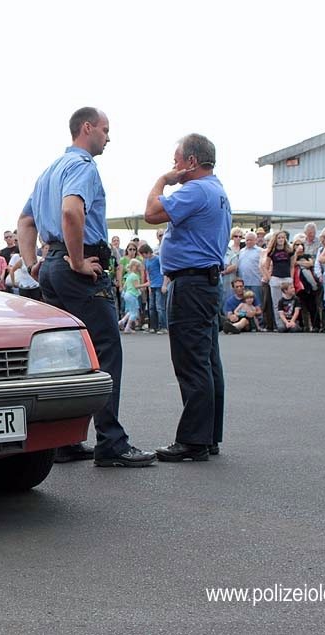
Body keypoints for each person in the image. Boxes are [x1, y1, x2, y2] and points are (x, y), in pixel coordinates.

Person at [17, 106, 154, 467]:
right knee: (105, 351)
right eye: (106, 130)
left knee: (64, 353)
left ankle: (62, 440)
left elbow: (26, 220)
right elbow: (71, 212)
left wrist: (33, 262)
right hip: (77, 267)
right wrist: (77, 261)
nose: (109, 137)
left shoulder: (48, 171)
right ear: (87, 128)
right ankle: (111, 442)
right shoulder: (82, 166)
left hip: (51, 266)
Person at [144, 132, 231, 463]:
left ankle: (193, 440)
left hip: (191, 283)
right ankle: (208, 436)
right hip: (206, 282)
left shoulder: (195, 190)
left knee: (191, 362)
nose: (174, 166)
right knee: (208, 362)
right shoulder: (217, 189)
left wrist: (163, 180)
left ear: (191, 161)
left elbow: (152, 212)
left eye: (177, 160)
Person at [139, 243, 165, 333]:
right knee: (151, 307)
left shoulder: (157, 259)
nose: (143, 256)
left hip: (159, 284)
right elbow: (148, 273)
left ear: (148, 252)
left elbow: (163, 271)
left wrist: (164, 284)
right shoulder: (146, 261)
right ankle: (153, 326)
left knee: (159, 307)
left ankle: (163, 326)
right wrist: (149, 285)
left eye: (143, 254)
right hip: (152, 285)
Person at [118, 258, 143, 333]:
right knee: (134, 312)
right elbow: (136, 286)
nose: (139, 269)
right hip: (132, 295)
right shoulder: (135, 276)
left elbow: (125, 286)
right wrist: (145, 284)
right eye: (138, 267)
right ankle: (128, 327)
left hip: (127, 295)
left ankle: (122, 321)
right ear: (134, 267)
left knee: (130, 310)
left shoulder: (128, 276)